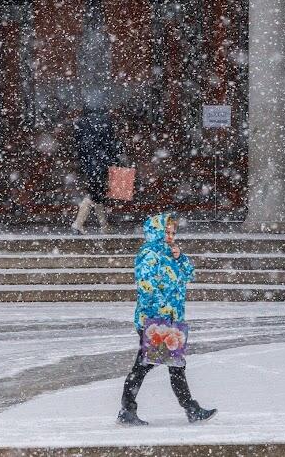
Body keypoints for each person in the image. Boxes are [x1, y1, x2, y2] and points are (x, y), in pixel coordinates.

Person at [118, 213, 216, 426]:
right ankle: (128, 409)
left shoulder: (171, 253)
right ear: (157, 232)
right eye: (167, 232)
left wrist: (181, 257)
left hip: (171, 319)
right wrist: (158, 314)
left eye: (173, 232)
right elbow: (145, 286)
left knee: (173, 366)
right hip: (155, 321)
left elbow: (189, 275)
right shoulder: (149, 253)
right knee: (147, 366)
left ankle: (190, 408)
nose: (171, 236)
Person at [72, 106, 118, 234]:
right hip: (102, 163)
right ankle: (78, 223)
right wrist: (114, 160)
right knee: (95, 194)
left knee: (98, 193)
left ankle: (104, 225)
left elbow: (79, 146)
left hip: (89, 164)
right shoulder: (105, 123)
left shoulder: (81, 123)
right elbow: (110, 145)